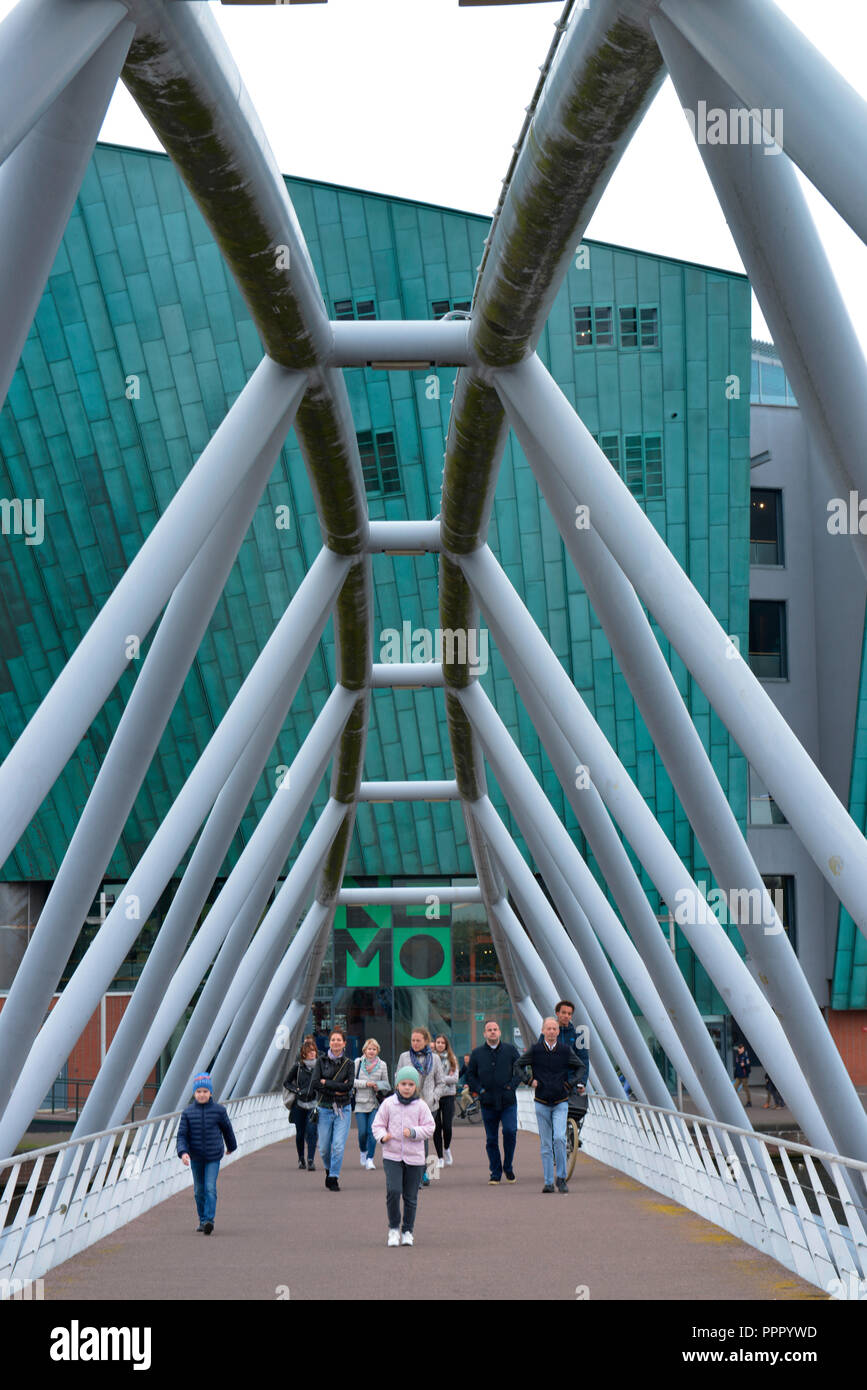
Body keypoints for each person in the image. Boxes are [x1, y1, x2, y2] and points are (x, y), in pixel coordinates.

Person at [372, 1067, 436, 1246]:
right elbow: (377, 1125)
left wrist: (414, 1132)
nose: (406, 1087)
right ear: (397, 1085)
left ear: (415, 1086)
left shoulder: (421, 1106)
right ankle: (393, 1229)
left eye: (410, 1084)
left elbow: (430, 1127)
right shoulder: (388, 1104)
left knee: (410, 1196)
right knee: (393, 1191)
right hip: (392, 1155)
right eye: (403, 1084)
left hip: (415, 1157)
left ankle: (407, 1230)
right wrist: (382, 1137)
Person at [520, 1017, 582, 1193]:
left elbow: (581, 1067)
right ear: (542, 1031)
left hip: (561, 1101)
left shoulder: (565, 1050)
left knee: (560, 1139)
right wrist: (529, 1080)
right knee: (546, 1143)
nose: (552, 1032)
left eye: (554, 1029)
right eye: (548, 1029)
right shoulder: (535, 1050)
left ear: (558, 1031)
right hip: (541, 1102)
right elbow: (518, 1065)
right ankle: (548, 1182)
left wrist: (570, 1084)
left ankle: (561, 1178)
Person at [176, 1072, 237, 1234]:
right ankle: (202, 1220)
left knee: (210, 1187)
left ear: (210, 1093)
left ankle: (209, 1220)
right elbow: (182, 1135)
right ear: (194, 1093)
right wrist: (183, 1153)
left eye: (205, 1091)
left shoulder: (219, 1111)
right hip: (195, 1156)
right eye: (198, 1091)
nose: (202, 1094)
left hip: (213, 1156)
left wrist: (231, 1146)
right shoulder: (187, 1113)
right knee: (198, 1190)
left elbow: (227, 1130)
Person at [466, 1019, 520, 1185]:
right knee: (491, 1139)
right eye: (489, 1029)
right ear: (484, 1033)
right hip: (488, 1101)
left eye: (495, 1029)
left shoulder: (511, 1050)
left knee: (510, 1132)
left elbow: (520, 1070)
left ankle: (508, 1167)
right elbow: (470, 1075)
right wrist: (480, 1090)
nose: (492, 1032)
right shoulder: (477, 1053)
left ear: (500, 1032)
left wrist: (512, 1086)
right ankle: (495, 1172)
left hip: (508, 1100)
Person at [397, 1026, 446, 1186]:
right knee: (412, 1138)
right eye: (413, 1040)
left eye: (418, 1040)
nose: (415, 1043)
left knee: (422, 1138)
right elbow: (397, 1078)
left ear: (426, 1041)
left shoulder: (435, 1059)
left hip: (429, 1106)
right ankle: (417, 1173)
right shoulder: (404, 1057)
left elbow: (441, 1082)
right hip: (409, 1104)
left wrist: (434, 1097)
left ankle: (422, 1172)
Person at [310, 1026, 355, 1190]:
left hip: (343, 1109)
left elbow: (349, 1086)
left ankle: (333, 1176)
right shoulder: (321, 1061)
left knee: (337, 1146)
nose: (335, 1043)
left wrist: (326, 1082)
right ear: (329, 1043)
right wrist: (335, 1087)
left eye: (339, 1040)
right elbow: (315, 1083)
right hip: (324, 1109)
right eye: (333, 1040)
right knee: (323, 1148)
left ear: (344, 1043)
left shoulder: (349, 1064)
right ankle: (329, 1169)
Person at [283, 1038, 319, 1170]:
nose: (312, 1053)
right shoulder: (298, 1067)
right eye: (309, 1052)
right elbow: (286, 1082)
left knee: (311, 1131)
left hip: (314, 1103)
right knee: (300, 1133)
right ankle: (301, 1158)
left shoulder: (319, 1067)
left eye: (313, 1051)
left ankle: (310, 1159)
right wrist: (296, 1090)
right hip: (299, 1104)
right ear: (304, 1053)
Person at [354, 1037, 390, 1170]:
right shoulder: (358, 1062)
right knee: (362, 1133)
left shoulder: (382, 1065)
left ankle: (370, 1158)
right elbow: (351, 1081)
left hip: (375, 1104)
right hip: (360, 1103)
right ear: (365, 1050)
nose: (371, 1051)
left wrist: (378, 1086)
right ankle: (363, 1151)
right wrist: (366, 1084)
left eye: (374, 1049)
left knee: (371, 1132)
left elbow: (386, 1084)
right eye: (369, 1049)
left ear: (377, 1051)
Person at [432, 1034, 459, 1167]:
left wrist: (439, 1078)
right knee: (436, 1127)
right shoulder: (431, 1058)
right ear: (435, 1044)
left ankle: (447, 1148)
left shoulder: (452, 1059)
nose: (440, 1045)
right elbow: (429, 1078)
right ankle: (440, 1157)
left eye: (443, 1043)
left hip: (448, 1096)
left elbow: (455, 1079)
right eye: (438, 1042)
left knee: (447, 1126)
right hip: (435, 1097)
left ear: (446, 1045)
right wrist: (443, 1078)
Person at [553, 1000, 590, 1090]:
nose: (566, 1016)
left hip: (571, 1085)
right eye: (564, 1013)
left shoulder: (578, 1035)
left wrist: (582, 1082)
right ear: (557, 1013)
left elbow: (584, 1059)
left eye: (569, 1014)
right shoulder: (548, 1034)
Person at [733, 1042, 752, 1108]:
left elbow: (749, 1066)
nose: (739, 1049)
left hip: (744, 1076)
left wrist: (744, 1065)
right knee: (734, 1088)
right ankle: (734, 1102)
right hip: (738, 1076)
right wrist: (735, 1075)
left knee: (746, 1089)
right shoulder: (737, 1056)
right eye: (739, 1048)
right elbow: (737, 1066)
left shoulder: (745, 1057)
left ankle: (749, 1102)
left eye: (740, 1048)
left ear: (743, 1049)